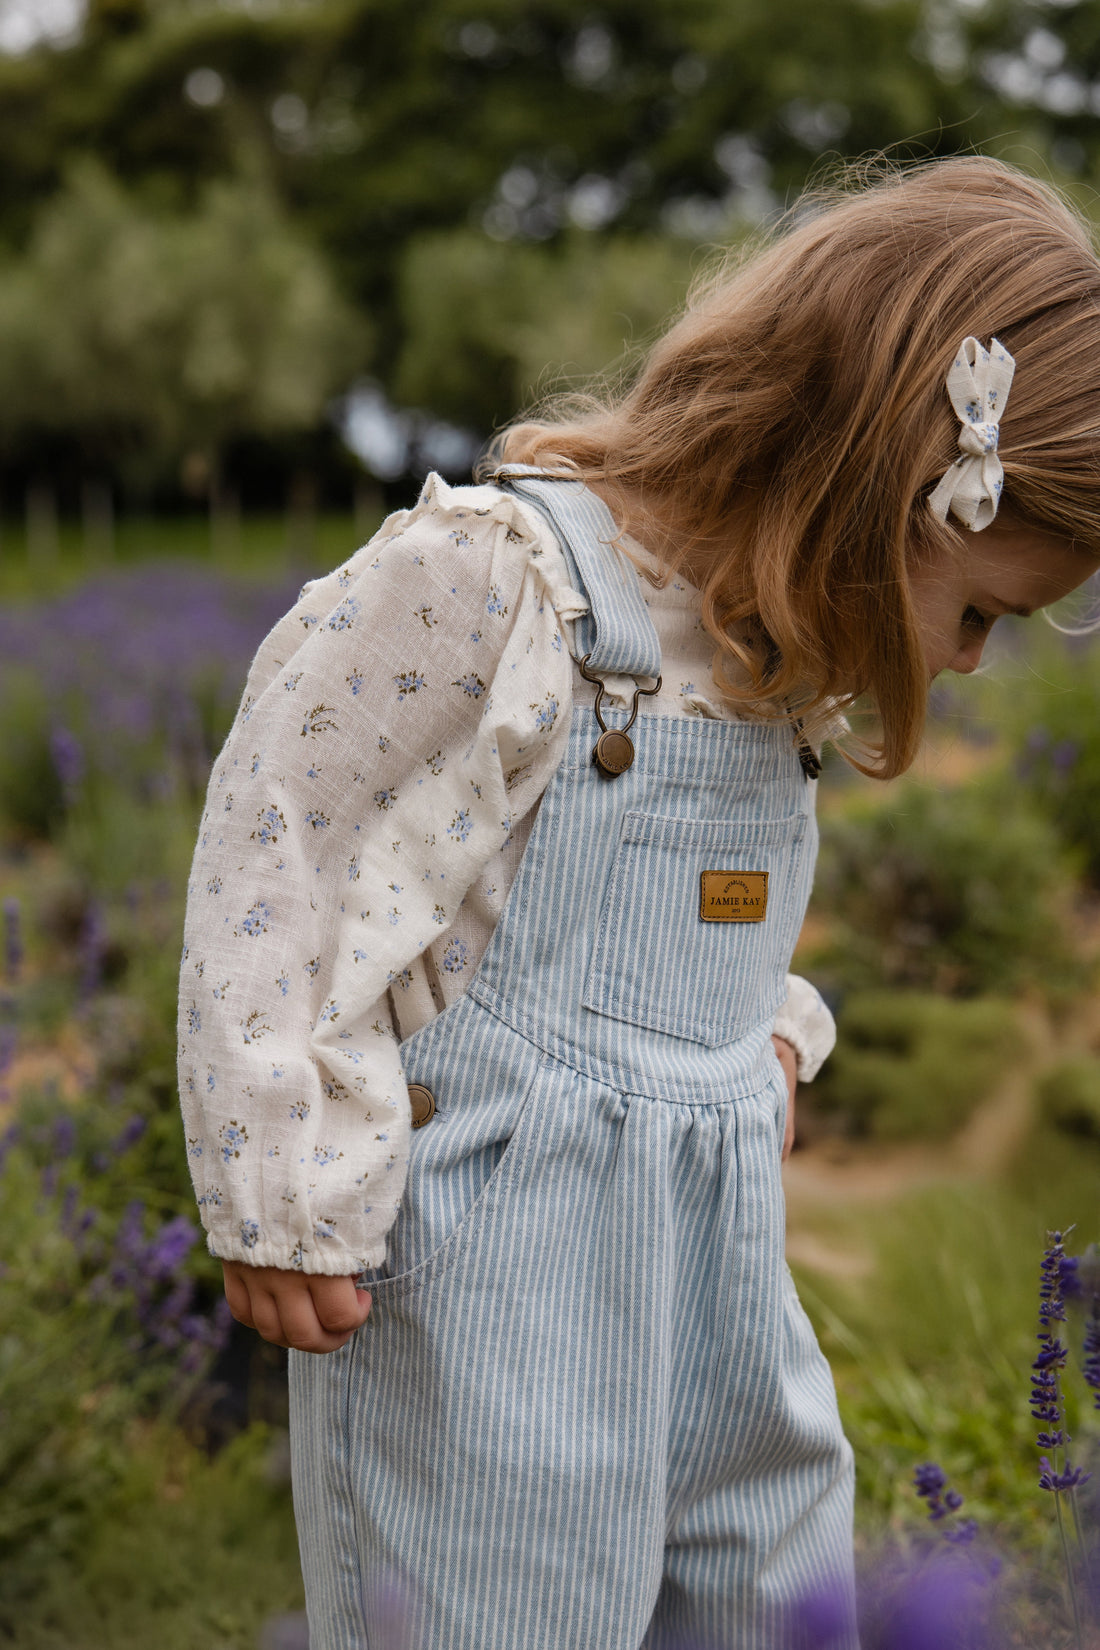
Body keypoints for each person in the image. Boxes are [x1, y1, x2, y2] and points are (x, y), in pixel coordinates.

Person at [177, 155, 1100, 1650]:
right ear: (885, 486)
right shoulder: (503, 591)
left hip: (721, 1282)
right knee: (504, 1603)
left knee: (775, 1583)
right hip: (497, 1289)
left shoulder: (762, 663)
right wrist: (283, 1173)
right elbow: (291, 848)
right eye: (983, 607)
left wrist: (765, 1040)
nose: (979, 659)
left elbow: (699, 931)